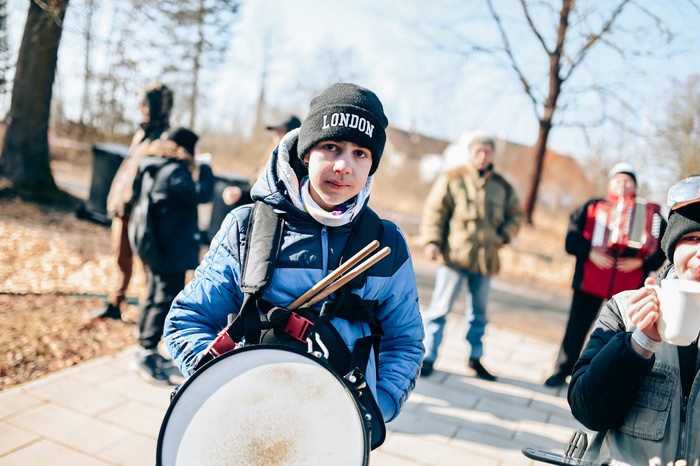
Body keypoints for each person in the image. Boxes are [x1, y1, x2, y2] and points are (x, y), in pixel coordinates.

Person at [164, 83, 424, 424]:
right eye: (331, 147)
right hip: (245, 415)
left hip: (336, 428)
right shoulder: (247, 228)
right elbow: (188, 319)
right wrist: (219, 383)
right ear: (307, 152)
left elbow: (405, 343)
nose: (344, 165)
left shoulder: (387, 242)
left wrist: (378, 408)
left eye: (361, 153)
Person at [567, 174, 700, 464]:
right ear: (673, 244)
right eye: (692, 238)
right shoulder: (624, 309)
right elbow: (587, 411)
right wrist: (640, 343)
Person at [544, 162, 667, 387]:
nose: (623, 184)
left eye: (628, 180)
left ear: (635, 185)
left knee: (617, 336)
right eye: (618, 179)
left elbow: (664, 247)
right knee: (576, 328)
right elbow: (571, 240)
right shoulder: (592, 207)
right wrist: (589, 252)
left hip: (627, 286)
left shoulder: (650, 213)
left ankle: (602, 379)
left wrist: (642, 262)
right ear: (609, 183)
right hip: (590, 280)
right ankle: (561, 371)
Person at [419, 132, 523, 380]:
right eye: (479, 151)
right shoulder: (452, 178)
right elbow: (435, 211)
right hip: (454, 256)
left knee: (479, 315)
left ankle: (475, 358)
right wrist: (432, 242)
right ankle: (428, 356)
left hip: (486, 260)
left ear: (492, 155)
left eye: (487, 152)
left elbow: (516, 215)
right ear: (471, 153)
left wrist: (502, 236)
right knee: (440, 310)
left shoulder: (502, 186)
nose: (483, 156)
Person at [130, 128, 214, 384]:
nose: (198, 153)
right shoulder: (175, 172)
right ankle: (146, 354)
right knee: (164, 298)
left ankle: (146, 347)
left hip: (156, 244)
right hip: (170, 249)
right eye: (196, 148)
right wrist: (206, 167)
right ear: (186, 147)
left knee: (153, 295)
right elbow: (203, 193)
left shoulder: (155, 166)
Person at [89, 82, 174, 321]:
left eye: (145, 103)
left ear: (157, 106)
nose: (140, 107)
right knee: (120, 259)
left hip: (144, 214)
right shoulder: (140, 134)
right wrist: (116, 200)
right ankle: (115, 303)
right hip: (122, 209)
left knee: (149, 266)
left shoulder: (166, 138)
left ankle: (150, 316)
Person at [221, 115, 302, 206]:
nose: (276, 137)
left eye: (281, 132)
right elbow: (255, 183)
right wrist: (239, 191)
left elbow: (273, 194)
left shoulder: (293, 163)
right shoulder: (270, 156)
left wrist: (242, 195)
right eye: (276, 133)